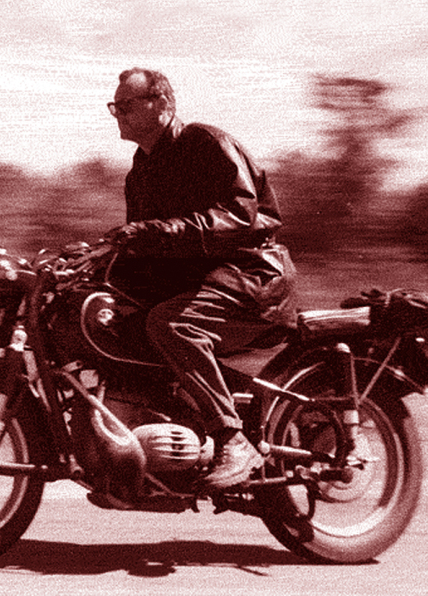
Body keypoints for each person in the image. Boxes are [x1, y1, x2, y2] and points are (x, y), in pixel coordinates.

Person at [105, 67, 297, 490]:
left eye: (126, 105)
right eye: (113, 107)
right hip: (205, 284)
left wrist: (161, 230)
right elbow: (146, 247)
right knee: (119, 325)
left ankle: (233, 440)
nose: (117, 113)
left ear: (162, 103)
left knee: (173, 325)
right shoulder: (140, 172)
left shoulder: (204, 143)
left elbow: (240, 215)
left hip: (252, 275)